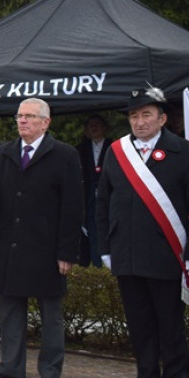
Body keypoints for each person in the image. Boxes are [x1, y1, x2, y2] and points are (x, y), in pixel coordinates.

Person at [0, 97, 83, 378]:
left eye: (29, 116)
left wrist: (67, 252)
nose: (22, 121)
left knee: (51, 316)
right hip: (11, 246)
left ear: (45, 122)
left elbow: (73, 207)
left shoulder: (64, 155)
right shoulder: (6, 152)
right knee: (10, 311)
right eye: (19, 116)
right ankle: (11, 368)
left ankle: (50, 372)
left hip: (47, 249)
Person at [96, 87, 189, 378]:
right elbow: (103, 204)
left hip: (167, 256)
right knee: (140, 326)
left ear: (163, 118)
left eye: (147, 114)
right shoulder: (116, 152)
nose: (139, 122)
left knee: (170, 326)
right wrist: (106, 248)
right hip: (128, 256)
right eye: (134, 116)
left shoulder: (183, 152)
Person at [76, 114, 108, 267]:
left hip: (107, 197)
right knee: (88, 232)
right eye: (91, 125)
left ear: (104, 127)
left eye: (97, 124)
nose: (94, 127)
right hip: (86, 197)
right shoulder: (80, 149)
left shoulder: (114, 147)